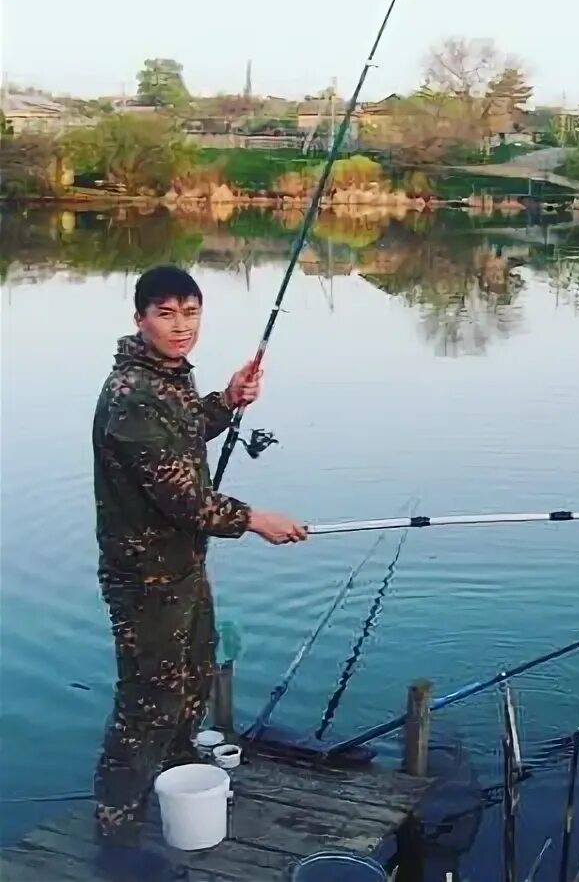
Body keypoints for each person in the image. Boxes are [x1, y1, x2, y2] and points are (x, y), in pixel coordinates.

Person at [91, 265, 306, 879]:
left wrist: (226, 401)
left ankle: (174, 783)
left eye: (190, 313)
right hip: (144, 579)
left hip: (183, 565)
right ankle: (118, 838)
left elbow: (185, 435)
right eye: (166, 313)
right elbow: (184, 498)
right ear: (140, 319)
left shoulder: (169, 381)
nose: (181, 326)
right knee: (146, 701)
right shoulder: (131, 394)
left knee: (194, 674)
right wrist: (257, 519)